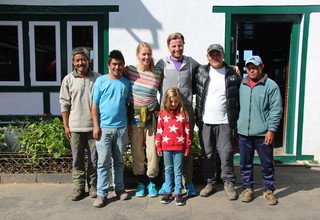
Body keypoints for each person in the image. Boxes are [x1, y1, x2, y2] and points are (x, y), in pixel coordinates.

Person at [195, 44, 241, 200]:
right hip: (206, 121)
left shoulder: (232, 73)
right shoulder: (200, 71)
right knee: (207, 153)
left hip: (225, 121)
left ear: (223, 55)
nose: (215, 57)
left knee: (226, 153)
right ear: (207, 57)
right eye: (211, 55)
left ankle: (228, 182)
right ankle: (210, 183)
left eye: (217, 54)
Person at [156, 32, 199, 197]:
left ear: (183, 45)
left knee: (185, 149)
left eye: (179, 45)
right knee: (165, 149)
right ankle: (167, 184)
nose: (177, 48)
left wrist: (231, 68)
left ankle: (187, 182)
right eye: (173, 45)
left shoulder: (191, 63)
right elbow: (145, 73)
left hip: (185, 113)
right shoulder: (162, 63)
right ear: (169, 47)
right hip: (166, 114)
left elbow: (209, 69)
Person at [237, 55, 283, 205]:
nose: (251, 69)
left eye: (255, 67)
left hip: (263, 133)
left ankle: (268, 190)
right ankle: (248, 189)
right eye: (249, 67)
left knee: (267, 164)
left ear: (261, 67)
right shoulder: (242, 83)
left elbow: (276, 110)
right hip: (244, 132)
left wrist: (271, 130)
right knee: (245, 163)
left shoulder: (271, 86)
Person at [91, 50, 133, 208]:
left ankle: (120, 189)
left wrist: (128, 125)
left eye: (120, 64)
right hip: (104, 129)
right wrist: (96, 125)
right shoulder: (101, 81)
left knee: (119, 161)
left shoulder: (126, 83)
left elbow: (128, 106)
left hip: (121, 128)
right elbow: (94, 105)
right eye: (114, 64)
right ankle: (102, 193)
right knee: (103, 162)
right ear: (109, 65)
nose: (117, 67)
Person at [59, 47, 100, 201]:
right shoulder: (68, 79)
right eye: (77, 60)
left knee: (94, 159)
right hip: (75, 126)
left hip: (93, 127)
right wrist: (66, 126)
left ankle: (93, 186)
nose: (81, 62)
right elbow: (64, 104)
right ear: (73, 62)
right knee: (77, 159)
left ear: (88, 60)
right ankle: (78, 187)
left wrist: (99, 124)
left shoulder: (98, 78)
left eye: (83, 59)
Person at [123, 42, 161, 197]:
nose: (146, 57)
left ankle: (152, 181)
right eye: (143, 54)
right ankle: (140, 182)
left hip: (151, 118)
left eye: (148, 54)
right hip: (135, 118)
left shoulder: (158, 72)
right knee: (137, 151)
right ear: (137, 55)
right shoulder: (130, 71)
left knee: (153, 152)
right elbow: (115, 71)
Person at [156, 87, 191, 206]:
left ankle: (178, 193)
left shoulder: (184, 114)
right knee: (168, 169)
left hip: (179, 148)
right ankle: (168, 192)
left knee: (178, 170)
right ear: (166, 100)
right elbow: (159, 131)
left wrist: (187, 147)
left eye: (176, 101)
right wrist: (158, 146)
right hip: (166, 148)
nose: (173, 104)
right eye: (171, 101)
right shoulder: (162, 114)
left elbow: (187, 132)